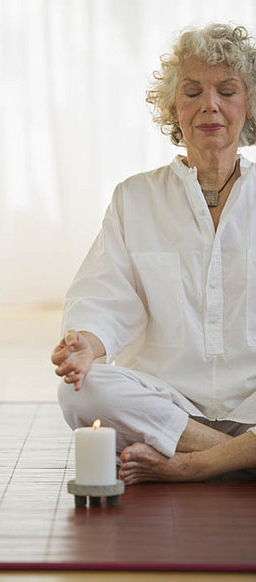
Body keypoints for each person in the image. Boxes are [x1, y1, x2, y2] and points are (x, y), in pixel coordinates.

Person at [51, 23, 256, 485]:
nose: (210, 104)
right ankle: (236, 457)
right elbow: (105, 296)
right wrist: (87, 344)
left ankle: (194, 464)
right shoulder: (135, 197)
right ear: (172, 107)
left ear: (249, 106)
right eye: (192, 91)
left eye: (227, 91)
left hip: (250, 404)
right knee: (83, 394)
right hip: (170, 404)